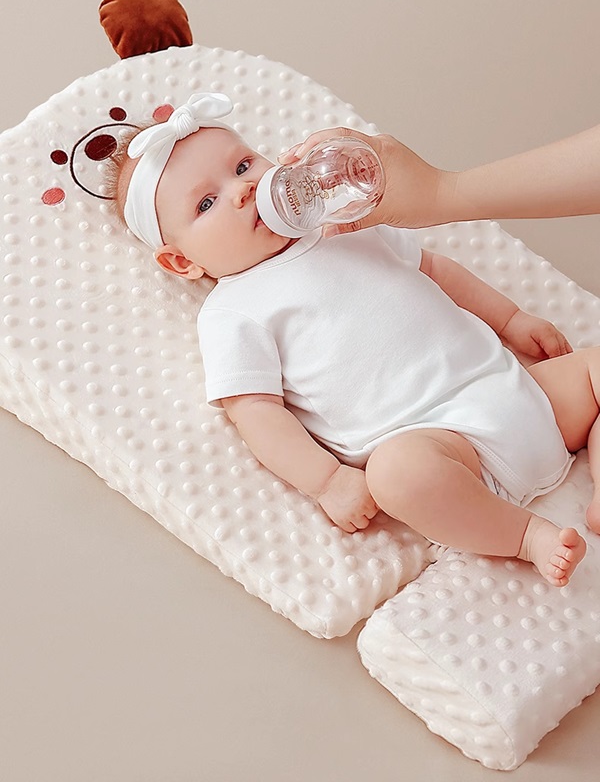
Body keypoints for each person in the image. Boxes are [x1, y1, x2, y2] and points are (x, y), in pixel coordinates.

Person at [112, 92, 600, 590]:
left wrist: (512, 319)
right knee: (397, 476)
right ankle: (525, 536)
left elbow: (434, 269)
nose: (241, 190)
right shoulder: (232, 310)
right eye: (206, 203)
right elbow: (254, 409)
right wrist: (326, 480)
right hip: (442, 445)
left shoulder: (344, 223)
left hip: (515, 389)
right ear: (182, 262)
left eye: (242, 166)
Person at [277, 123, 600, 236]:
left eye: (250, 163)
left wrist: (511, 320)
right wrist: (440, 193)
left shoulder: (363, 238)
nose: (251, 189)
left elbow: (435, 271)